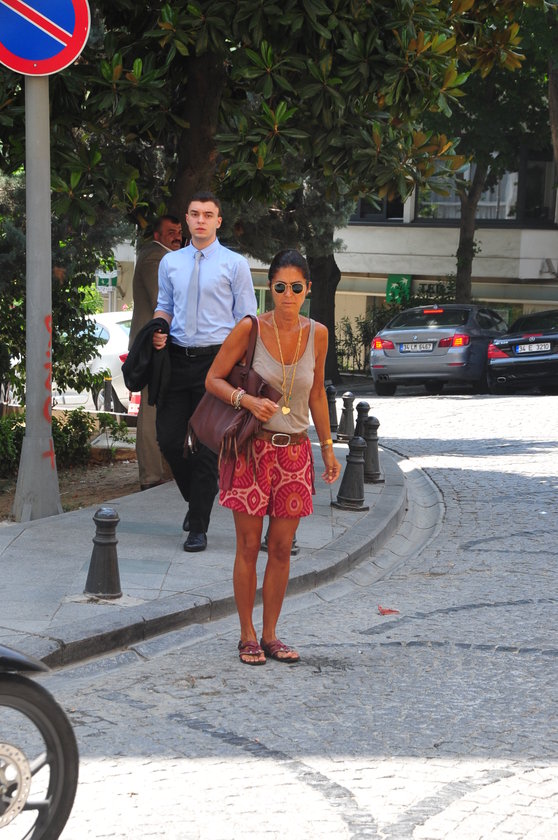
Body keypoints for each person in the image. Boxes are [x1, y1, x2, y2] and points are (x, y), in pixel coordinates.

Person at [205, 249, 342, 665]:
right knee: (248, 545)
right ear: (270, 288)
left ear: (308, 289)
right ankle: (246, 634)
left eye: (296, 288)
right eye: (280, 287)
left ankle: (270, 635)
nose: (288, 296)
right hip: (251, 450)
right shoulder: (250, 328)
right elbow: (212, 379)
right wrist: (246, 400)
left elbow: (316, 394)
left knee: (282, 548)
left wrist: (328, 448)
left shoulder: (318, 334)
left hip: (295, 452)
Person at [153, 191, 258, 552]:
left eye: (208, 214)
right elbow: (164, 306)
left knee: (209, 448)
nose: (201, 220)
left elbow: (247, 319)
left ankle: (197, 526)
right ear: (186, 219)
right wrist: (158, 329)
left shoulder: (234, 264)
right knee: (168, 439)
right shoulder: (171, 263)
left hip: (218, 363)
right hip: (177, 359)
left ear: (218, 221)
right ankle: (196, 500)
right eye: (195, 214)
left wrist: (240, 366)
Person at [129, 215, 182, 490]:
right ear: (157, 236)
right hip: (153, 347)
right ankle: (150, 476)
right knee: (151, 410)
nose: (177, 236)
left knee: (164, 408)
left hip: (161, 346)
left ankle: (163, 471)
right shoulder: (154, 257)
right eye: (170, 232)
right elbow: (163, 302)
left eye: (179, 231)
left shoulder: (167, 258)